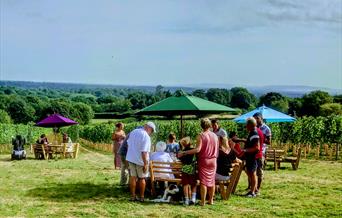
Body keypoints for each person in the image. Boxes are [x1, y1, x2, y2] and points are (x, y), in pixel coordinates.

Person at [178, 118, 219, 206]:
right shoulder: (215, 136)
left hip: (204, 160)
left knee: (203, 182)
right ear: (210, 125)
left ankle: (203, 201)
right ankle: (211, 200)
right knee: (212, 180)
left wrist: (184, 152)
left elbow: (198, 149)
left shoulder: (201, 135)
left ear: (201, 125)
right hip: (214, 160)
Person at [126, 122, 156, 202]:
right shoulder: (146, 136)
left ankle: (133, 196)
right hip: (141, 160)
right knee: (142, 178)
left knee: (133, 177)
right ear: (149, 128)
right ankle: (141, 197)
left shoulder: (134, 131)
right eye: (152, 131)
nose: (151, 133)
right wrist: (145, 164)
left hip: (131, 158)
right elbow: (144, 152)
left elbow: (128, 144)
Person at [215, 129, 241, 199]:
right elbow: (236, 160)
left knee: (205, 174)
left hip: (220, 175)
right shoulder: (231, 151)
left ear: (220, 141)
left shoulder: (219, 151)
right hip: (227, 175)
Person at [253, 112, 271, 195]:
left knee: (259, 170)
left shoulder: (266, 128)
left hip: (261, 151)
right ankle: (252, 186)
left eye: (257, 118)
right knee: (252, 170)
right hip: (254, 151)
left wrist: (262, 137)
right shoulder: (254, 128)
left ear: (261, 118)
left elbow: (269, 142)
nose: (256, 120)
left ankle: (258, 189)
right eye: (254, 119)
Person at [242, 117, 260, 198]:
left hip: (252, 158)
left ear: (250, 125)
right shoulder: (252, 133)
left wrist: (245, 150)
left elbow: (257, 148)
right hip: (250, 158)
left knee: (252, 174)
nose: (245, 126)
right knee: (250, 173)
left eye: (246, 124)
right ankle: (254, 190)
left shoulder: (254, 134)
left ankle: (252, 192)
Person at [178, 137, 197, 206]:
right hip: (192, 168)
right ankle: (193, 198)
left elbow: (179, 158)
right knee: (193, 184)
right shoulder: (194, 151)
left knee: (185, 184)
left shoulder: (182, 152)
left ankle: (186, 199)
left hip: (185, 169)